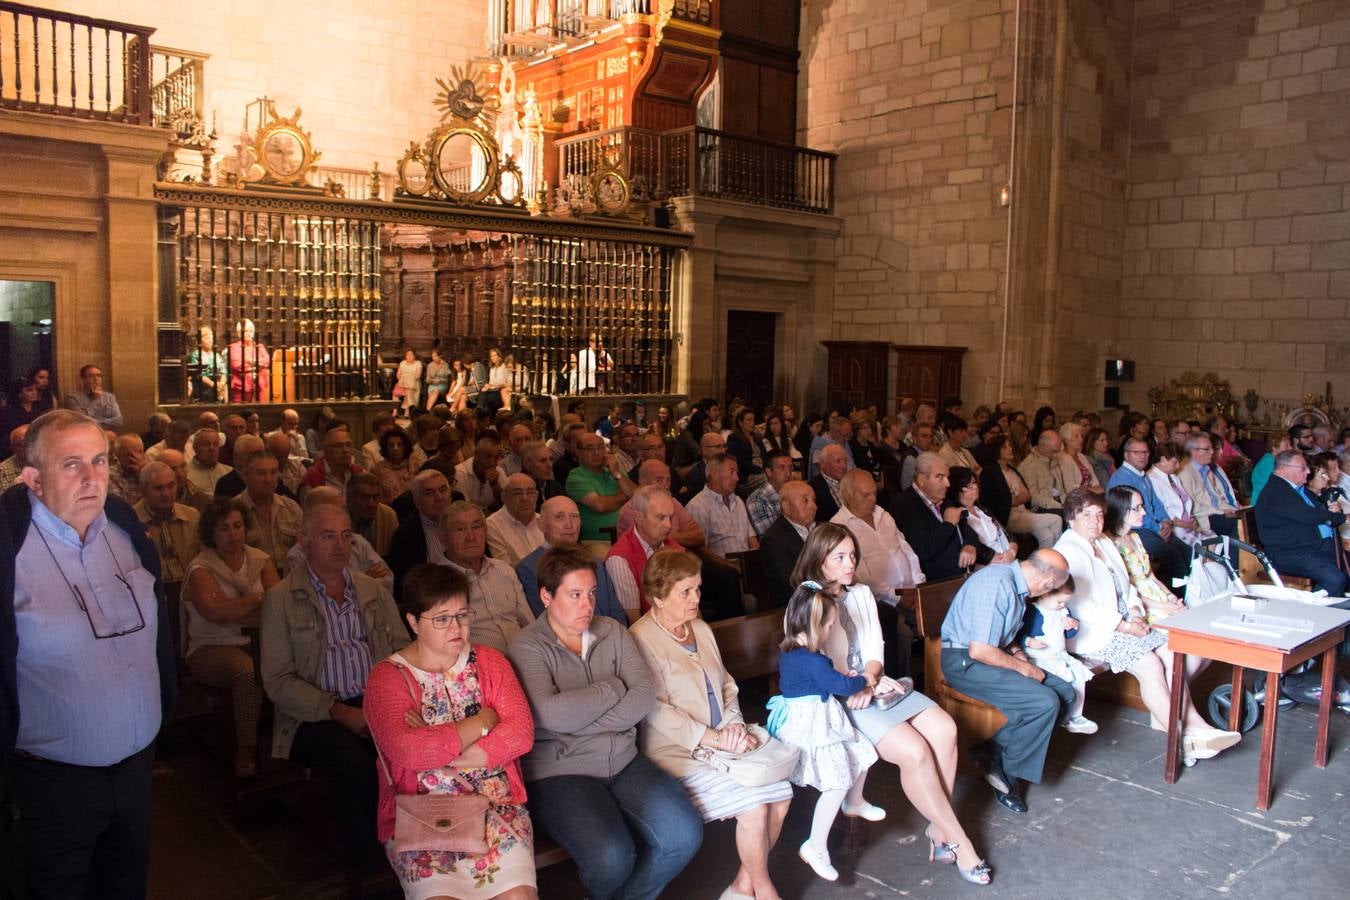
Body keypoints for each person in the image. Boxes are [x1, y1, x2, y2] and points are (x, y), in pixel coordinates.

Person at [2, 409, 175, 899]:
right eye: (71, 464)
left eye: (98, 461)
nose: (91, 478)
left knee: (125, 886)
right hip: (52, 787)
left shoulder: (123, 527)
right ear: (33, 479)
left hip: (138, 770)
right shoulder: (8, 549)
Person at [790, 523, 987, 877]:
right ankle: (959, 840)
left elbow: (875, 651)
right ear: (820, 561)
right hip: (839, 700)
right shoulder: (807, 602)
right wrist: (859, 687)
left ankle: (938, 828)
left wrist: (870, 679)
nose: (850, 563)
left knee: (945, 729)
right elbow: (814, 667)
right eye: (840, 557)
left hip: (874, 685)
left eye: (852, 555)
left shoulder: (862, 593)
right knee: (916, 751)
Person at [507, 547, 702, 900]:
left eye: (593, 593)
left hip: (624, 760)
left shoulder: (612, 630)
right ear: (546, 596)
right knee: (612, 859)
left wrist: (580, 718)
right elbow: (551, 715)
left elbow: (643, 695)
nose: (588, 604)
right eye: (575, 594)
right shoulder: (526, 646)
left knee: (684, 835)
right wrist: (612, 688)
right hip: (561, 773)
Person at [629, 550, 794, 900]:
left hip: (725, 741)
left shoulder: (700, 629)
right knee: (754, 807)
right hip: (680, 753)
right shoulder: (640, 639)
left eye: (698, 589)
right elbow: (655, 710)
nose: (696, 599)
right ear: (657, 597)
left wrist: (733, 726)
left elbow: (727, 685)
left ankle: (740, 887)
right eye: (685, 592)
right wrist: (714, 739)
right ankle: (764, 890)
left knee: (781, 796)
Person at [365, 564, 537, 899]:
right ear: (413, 622)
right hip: (423, 815)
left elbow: (521, 733)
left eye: (462, 614)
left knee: (518, 897)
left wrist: (438, 743)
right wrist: (484, 720)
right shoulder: (387, 678)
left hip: (494, 806)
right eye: (441, 618)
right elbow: (410, 752)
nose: (456, 627)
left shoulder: (490, 662)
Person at [260, 502, 409, 870]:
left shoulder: (372, 590)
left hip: (374, 701)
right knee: (355, 766)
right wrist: (338, 711)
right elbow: (277, 681)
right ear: (304, 542)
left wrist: (396, 703)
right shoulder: (281, 598)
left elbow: (403, 653)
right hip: (312, 714)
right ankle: (371, 868)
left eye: (346, 536)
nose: (339, 545)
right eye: (328, 536)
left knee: (412, 752)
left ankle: (420, 849)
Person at [1058, 489, 1238, 763]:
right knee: (1150, 665)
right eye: (1087, 516)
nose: (1095, 521)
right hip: (1095, 631)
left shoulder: (1104, 543)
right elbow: (1083, 607)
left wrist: (1135, 612)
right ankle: (1183, 736)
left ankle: (1191, 725)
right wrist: (1124, 625)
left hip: (1125, 620)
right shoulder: (1068, 550)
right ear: (1072, 519)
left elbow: (1128, 586)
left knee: (1170, 652)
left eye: (1099, 515)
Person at [940, 551, 1075, 813]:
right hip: (964, 662)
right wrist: (1023, 670)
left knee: (1065, 693)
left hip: (989, 656)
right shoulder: (996, 583)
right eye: (1053, 589)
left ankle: (993, 751)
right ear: (1047, 582)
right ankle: (1007, 772)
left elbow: (999, 633)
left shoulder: (1016, 585)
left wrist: (1018, 654)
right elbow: (979, 650)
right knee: (1044, 702)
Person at [769, 583, 883, 885]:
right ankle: (815, 845)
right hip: (814, 730)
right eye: (830, 624)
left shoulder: (795, 652)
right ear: (813, 625)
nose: (832, 629)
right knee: (835, 783)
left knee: (862, 751)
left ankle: (855, 801)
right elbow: (842, 687)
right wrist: (862, 680)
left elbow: (825, 681)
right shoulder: (811, 659)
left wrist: (840, 678)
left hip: (818, 721)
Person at [183, 498, 278, 777]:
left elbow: (276, 608)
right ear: (211, 533)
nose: (233, 533)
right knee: (246, 672)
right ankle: (245, 752)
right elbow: (215, 613)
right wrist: (256, 598)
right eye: (224, 528)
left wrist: (236, 608)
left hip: (260, 641)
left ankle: (296, 744)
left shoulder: (260, 560)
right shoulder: (201, 567)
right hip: (210, 647)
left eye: (238, 526)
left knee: (302, 657)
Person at [831, 469, 923, 677]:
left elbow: (905, 548)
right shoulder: (839, 526)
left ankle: (936, 678)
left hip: (911, 591)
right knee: (902, 634)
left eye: (874, 493)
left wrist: (918, 584)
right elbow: (858, 575)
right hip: (879, 602)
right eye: (866, 495)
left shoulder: (883, 514)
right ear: (847, 496)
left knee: (940, 617)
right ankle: (903, 683)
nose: (873, 499)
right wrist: (897, 597)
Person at [437, 501, 534, 652]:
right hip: (478, 669)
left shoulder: (504, 570)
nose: (471, 536)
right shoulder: (435, 583)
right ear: (443, 538)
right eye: (460, 529)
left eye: (476, 527)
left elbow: (528, 623)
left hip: (524, 658)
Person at [516, 495, 627, 622]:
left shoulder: (595, 562)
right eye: (559, 517)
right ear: (541, 525)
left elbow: (616, 612)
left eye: (574, 516)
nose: (570, 525)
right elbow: (548, 623)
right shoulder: (528, 569)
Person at [1255, 450, 1347, 594]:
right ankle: (1313, 608)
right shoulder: (1277, 492)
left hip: (1314, 547)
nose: (1308, 471)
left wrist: (1335, 510)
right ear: (1284, 469)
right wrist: (1339, 517)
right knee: (1335, 580)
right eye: (1303, 468)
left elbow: (1324, 510)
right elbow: (1310, 516)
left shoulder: (1298, 489)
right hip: (1290, 553)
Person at [1108, 438, 1188, 591]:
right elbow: (1131, 513)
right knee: (1173, 558)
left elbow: (1156, 503)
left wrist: (1165, 521)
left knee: (1188, 553)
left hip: (1153, 526)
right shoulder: (1122, 477)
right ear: (1126, 455)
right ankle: (1178, 602)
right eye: (1136, 452)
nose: (1142, 456)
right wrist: (1158, 528)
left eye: (1145, 452)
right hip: (1135, 529)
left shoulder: (1142, 475)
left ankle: (1187, 596)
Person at [1019, 578, 1096, 734]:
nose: (1063, 605)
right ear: (1044, 595)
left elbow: (1068, 634)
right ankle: (1062, 715)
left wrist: (1073, 626)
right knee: (1062, 682)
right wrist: (1028, 641)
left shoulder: (1064, 611)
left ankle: (1075, 716)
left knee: (1079, 678)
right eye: (1059, 602)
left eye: (1065, 602)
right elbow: (1019, 633)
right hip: (1040, 657)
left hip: (1060, 654)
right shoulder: (1035, 612)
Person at [891, 452, 977, 580]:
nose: (948, 483)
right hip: (937, 584)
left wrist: (970, 545)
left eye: (947, 477)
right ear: (921, 479)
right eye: (940, 477)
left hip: (966, 575)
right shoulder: (905, 505)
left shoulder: (943, 498)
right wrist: (948, 525)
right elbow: (925, 550)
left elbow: (969, 529)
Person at [605, 486, 684, 622]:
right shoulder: (619, 559)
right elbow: (635, 622)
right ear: (639, 517)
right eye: (661, 518)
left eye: (670, 517)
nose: (669, 525)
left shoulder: (676, 549)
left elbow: (691, 604)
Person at [133, 460, 202, 602]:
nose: (166, 493)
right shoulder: (133, 521)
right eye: (158, 488)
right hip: (153, 593)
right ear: (143, 491)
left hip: (190, 588)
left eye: (171, 486)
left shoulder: (192, 516)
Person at [388, 469, 454, 601]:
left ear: (450, 494)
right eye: (429, 493)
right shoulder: (405, 536)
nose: (439, 498)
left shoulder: (465, 522)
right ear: (417, 501)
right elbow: (407, 588)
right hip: (434, 600)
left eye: (443, 490)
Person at [235, 446, 303, 572]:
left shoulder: (291, 507)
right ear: (245, 477)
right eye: (261, 473)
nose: (269, 479)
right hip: (252, 580)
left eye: (273, 472)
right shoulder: (233, 511)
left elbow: (304, 550)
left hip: (291, 578)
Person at [566, 431, 635, 541]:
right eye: (589, 448)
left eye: (600, 447)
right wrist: (627, 496)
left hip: (630, 536)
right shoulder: (576, 477)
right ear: (578, 453)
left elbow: (638, 495)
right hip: (600, 540)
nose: (597, 452)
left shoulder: (614, 469)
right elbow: (600, 505)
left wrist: (617, 474)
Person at [759, 480, 816, 608]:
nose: (814, 506)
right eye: (805, 500)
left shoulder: (820, 528)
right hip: (793, 609)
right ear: (786, 507)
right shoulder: (773, 539)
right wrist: (825, 589)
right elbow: (792, 584)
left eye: (814, 500)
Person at [944, 466, 1017, 565]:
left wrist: (1011, 552)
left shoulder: (982, 509)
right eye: (969, 485)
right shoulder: (958, 515)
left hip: (1007, 557)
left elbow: (1008, 534)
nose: (975, 487)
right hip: (987, 565)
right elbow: (973, 548)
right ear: (957, 490)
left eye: (975, 483)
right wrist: (998, 559)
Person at [1178, 432, 1242, 543]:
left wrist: (1233, 509)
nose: (1212, 452)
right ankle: (1235, 560)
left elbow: (1217, 498)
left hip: (1216, 513)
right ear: (1194, 451)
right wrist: (1221, 511)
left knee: (1246, 519)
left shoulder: (1205, 468)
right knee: (1236, 525)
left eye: (1211, 448)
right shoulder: (1184, 472)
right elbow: (1192, 506)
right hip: (1203, 518)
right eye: (1207, 449)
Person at [1147, 441, 1205, 547]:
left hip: (1187, 527)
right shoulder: (1152, 479)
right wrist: (1185, 524)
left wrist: (1191, 520)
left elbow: (1185, 503)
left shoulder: (1173, 477)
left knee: (1214, 541)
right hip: (1174, 531)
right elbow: (1164, 511)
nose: (1178, 466)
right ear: (1163, 460)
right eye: (1175, 462)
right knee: (1206, 547)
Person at [486, 473, 546, 566]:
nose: (525, 498)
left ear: (536, 496)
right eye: (517, 493)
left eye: (530, 492)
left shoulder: (544, 521)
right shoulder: (492, 525)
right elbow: (506, 570)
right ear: (504, 497)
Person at [302, 424, 364, 497]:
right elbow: (308, 507)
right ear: (326, 450)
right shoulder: (312, 477)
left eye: (348, 445)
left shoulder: (359, 472)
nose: (345, 450)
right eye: (338, 446)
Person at [746, 449, 794, 537]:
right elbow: (772, 540)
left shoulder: (793, 493)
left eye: (790, 468)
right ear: (768, 472)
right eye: (782, 468)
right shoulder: (758, 501)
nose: (788, 474)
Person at [455, 432, 508, 511]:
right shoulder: (460, 472)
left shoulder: (498, 471)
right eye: (488, 456)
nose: (492, 462)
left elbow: (509, 503)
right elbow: (462, 508)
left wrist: (495, 486)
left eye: (496, 457)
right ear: (476, 454)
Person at [63, 363, 124, 429]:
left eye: (99, 376)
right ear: (83, 379)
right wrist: (96, 400)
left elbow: (118, 421)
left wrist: (93, 422)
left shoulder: (110, 397)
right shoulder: (73, 398)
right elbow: (81, 421)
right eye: (91, 376)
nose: (96, 379)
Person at [0, 377, 42, 460]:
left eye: (36, 390)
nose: (34, 393)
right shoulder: (8, 411)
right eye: (30, 390)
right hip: (14, 450)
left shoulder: (39, 407)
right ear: (19, 393)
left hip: (37, 447)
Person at [370, 426, 414, 503]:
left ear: (405, 447)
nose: (395, 448)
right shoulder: (377, 469)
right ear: (385, 448)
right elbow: (377, 499)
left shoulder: (414, 466)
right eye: (391, 445)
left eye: (399, 445)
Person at [809, 442, 850, 522]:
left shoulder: (850, 482)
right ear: (823, 464)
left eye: (845, 461)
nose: (844, 466)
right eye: (838, 461)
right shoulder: (813, 489)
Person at [187, 324, 227, 403]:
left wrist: (221, 384)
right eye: (207, 338)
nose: (211, 341)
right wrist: (213, 384)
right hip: (203, 388)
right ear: (200, 340)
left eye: (212, 338)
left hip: (218, 387)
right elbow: (198, 373)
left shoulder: (217, 355)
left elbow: (224, 371)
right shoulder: (195, 355)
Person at [1250, 432, 1292, 504]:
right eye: (1286, 446)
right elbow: (1279, 486)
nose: (1290, 448)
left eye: (1290, 444)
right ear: (1274, 448)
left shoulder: (1273, 460)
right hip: (1263, 503)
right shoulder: (1269, 462)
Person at [393, 348, 423, 416]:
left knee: (408, 390)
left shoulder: (418, 363)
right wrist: (403, 380)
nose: (409, 357)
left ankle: (407, 411)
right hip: (402, 383)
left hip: (413, 384)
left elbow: (417, 375)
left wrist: (406, 377)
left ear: (414, 355)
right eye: (407, 355)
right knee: (395, 393)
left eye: (411, 355)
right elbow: (398, 375)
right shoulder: (402, 363)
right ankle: (395, 411)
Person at [0, 424, 29, 491]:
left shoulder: (48, 461)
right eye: (20, 444)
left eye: (29, 442)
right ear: (13, 449)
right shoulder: (3, 471)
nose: (26, 447)